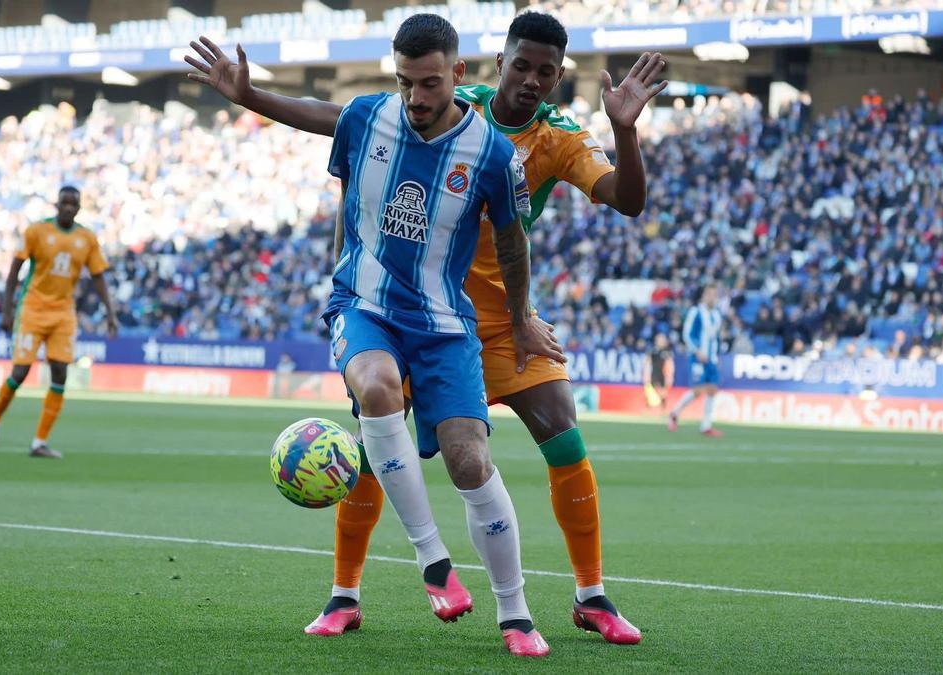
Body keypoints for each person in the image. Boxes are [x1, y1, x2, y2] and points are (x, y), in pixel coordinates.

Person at [186, 10, 663, 646]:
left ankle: (591, 594)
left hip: (491, 322)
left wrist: (624, 132)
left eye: (545, 72)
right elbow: (342, 126)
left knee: (562, 433)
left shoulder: (559, 139)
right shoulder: (439, 99)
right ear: (496, 64)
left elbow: (626, 200)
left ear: (556, 79)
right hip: (400, 309)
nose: (530, 80)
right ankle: (345, 593)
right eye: (521, 65)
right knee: (372, 439)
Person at [0, 187, 118, 458]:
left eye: (73, 204)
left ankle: (39, 442)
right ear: (56, 205)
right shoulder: (37, 232)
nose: (68, 208)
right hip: (32, 308)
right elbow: (13, 274)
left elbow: (98, 277)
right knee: (20, 373)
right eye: (64, 203)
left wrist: (111, 314)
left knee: (60, 373)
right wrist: (7, 312)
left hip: (64, 312)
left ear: (79, 208)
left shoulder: (87, 238)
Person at [669, 283, 724, 437]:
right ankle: (674, 413)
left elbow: (716, 338)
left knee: (712, 390)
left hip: (711, 358)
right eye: (709, 294)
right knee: (698, 391)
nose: (712, 298)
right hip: (698, 357)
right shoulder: (696, 312)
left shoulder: (717, 315)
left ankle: (706, 426)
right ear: (703, 296)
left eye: (715, 295)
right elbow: (687, 334)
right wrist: (697, 350)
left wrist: (717, 355)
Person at [644, 333, 674, 410]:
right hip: (654, 374)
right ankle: (649, 408)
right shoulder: (653, 351)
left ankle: (663, 408)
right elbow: (647, 362)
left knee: (662, 392)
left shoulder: (667, 352)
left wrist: (670, 376)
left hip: (663, 374)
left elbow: (670, 364)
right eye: (659, 340)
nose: (661, 342)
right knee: (651, 391)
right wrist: (646, 374)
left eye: (662, 340)